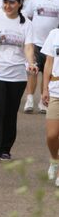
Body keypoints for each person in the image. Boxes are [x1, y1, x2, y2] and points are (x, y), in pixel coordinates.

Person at [0, 0, 36, 163]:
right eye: (5, 2)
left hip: (17, 75)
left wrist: (31, 63)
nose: (8, 6)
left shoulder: (26, 23)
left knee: (10, 113)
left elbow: (28, 47)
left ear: (19, 3)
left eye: (12, 2)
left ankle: (5, 148)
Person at [23, 0, 59, 114]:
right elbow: (28, 16)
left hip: (51, 44)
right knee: (32, 71)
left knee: (47, 72)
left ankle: (43, 100)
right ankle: (30, 99)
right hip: (36, 42)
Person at [41, 25, 59, 187]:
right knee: (52, 135)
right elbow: (48, 63)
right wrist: (45, 88)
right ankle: (54, 159)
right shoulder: (54, 34)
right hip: (56, 90)